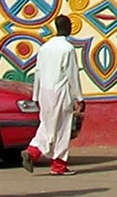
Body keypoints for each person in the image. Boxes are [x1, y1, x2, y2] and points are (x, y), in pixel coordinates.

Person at [23, 15, 84, 176]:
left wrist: (35, 96)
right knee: (62, 128)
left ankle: (32, 151)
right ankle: (58, 165)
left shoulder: (45, 47)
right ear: (67, 27)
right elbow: (72, 74)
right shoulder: (68, 49)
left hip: (44, 92)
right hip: (60, 92)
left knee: (47, 124)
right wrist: (79, 97)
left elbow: (38, 72)